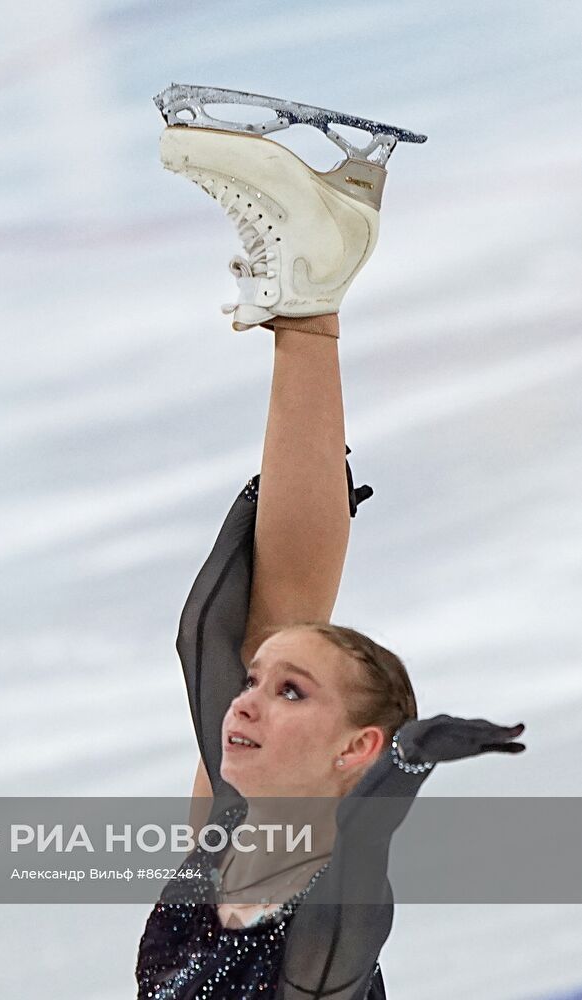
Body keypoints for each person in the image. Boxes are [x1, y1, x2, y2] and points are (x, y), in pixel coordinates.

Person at [135, 111, 526, 999]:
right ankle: (311, 299)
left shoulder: (235, 869)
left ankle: (311, 299)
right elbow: (354, 889)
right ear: (356, 748)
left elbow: (206, 639)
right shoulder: (313, 950)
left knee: (266, 626)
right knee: (275, 623)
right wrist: (405, 770)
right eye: (277, 690)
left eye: (279, 691)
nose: (247, 701)